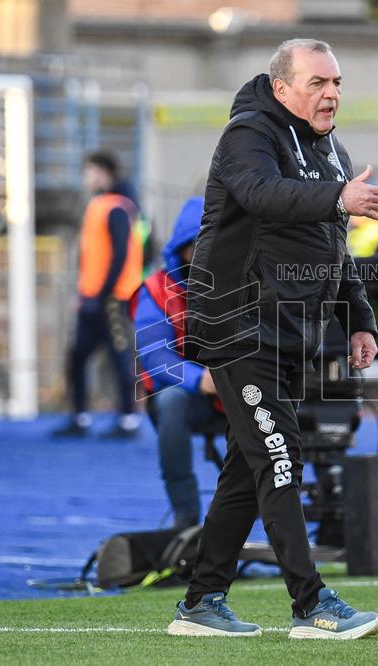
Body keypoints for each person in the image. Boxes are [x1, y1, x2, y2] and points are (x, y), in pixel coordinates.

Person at [169, 38, 378, 640]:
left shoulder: (330, 152)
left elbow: (334, 244)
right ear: (281, 88)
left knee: (248, 469)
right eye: (318, 82)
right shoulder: (248, 133)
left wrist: (359, 318)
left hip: (289, 333)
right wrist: (337, 196)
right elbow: (261, 194)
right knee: (279, 458)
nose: (331, 94)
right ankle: (312, 605)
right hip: (238, 325)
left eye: (337, 83)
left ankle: (200, 602)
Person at [133, 196, 223, 531]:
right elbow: (155, 356)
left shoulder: (249, 282)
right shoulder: (155, 290)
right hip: (191, 396)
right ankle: (185, 516)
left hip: (243, 388)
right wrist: (201, 381)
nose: (206, 253)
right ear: (182, 247)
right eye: (197, 244)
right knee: (171, 403)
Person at [53, 151, 144, 440]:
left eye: (90, 171)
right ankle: (79, 416)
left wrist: (103, 294)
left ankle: (129, 420)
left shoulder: (117, 207)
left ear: (105, 174)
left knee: (120, 357)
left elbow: (120, 255)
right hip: (91, 298)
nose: (86, 178)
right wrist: (84, 294)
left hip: (113, 299)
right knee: (77, 355)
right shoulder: (98, 205)